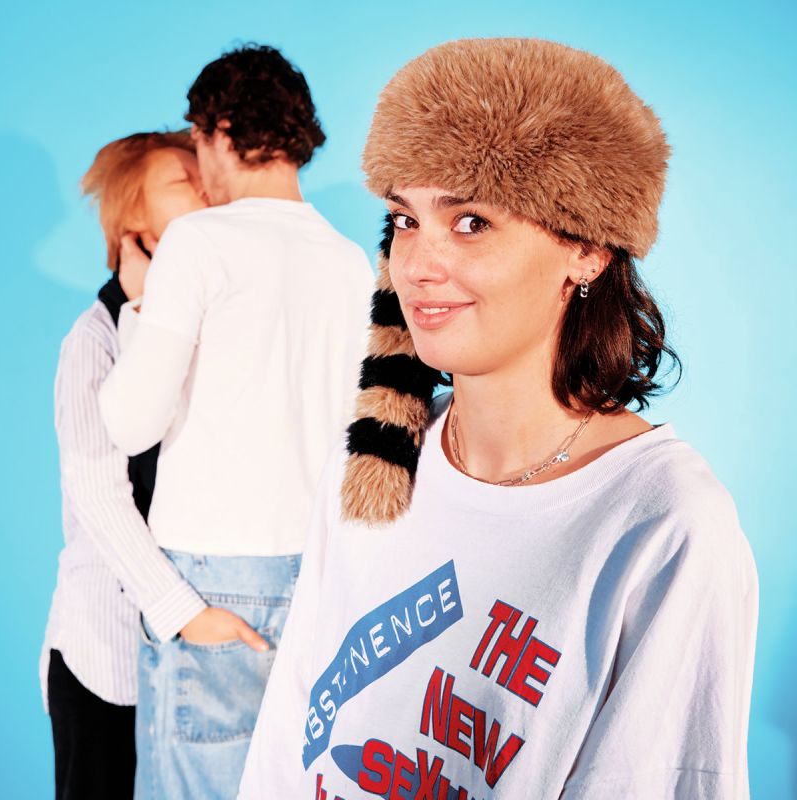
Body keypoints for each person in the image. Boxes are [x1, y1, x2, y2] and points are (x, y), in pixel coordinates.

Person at [238, 38, 758, 799]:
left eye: (471, 221)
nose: (418, 265)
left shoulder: (661, 522)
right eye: (405, 220)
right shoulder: (377, 461)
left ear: (587, 250)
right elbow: (289, 730)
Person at [98, 45, 373, 800]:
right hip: (318, 571)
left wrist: (138, 304)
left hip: (210, 574)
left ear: (218, 131)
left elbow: (129, 424)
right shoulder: (350, 261)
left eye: (196, 142)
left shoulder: (199, 242)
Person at [41, 131, 209, 800]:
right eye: (182, 181)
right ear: (131, 216)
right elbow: (98, 494)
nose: (204, 187)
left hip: (189, 650)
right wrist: (182, 612)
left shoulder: (205, 316)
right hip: (105, 657)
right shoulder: (94, 338)